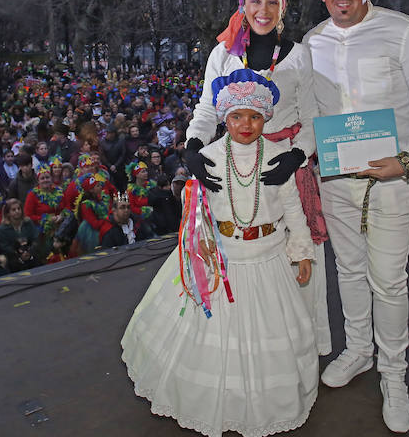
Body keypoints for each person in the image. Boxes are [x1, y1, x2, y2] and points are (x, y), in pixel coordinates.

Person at [300, 0, 409, 432]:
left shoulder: (405, 32)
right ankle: (359, 350)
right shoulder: (312, 42)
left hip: (393, 178)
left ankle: (394, 375)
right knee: (349, 270)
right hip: (338, 179)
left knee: (388, 280)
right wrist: (306, 150)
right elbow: (309, 113)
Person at [122, 68, 317, 437]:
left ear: (266, 118)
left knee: (269, 339)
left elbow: (293, 209)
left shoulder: (280, 158)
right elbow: (194, 213)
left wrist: (302, 251)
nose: (246, 124)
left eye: (255, 117)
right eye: (237, 117)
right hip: (220, 258)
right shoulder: (208, 157)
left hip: (268, 256)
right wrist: (189, 188)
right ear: (224, 118)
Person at [184, 0, 331, 355]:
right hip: (234, 168)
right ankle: (242, 350)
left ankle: (294, 351)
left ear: (283, 7)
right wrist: (193, 146)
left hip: (284, 169)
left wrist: (297, 155)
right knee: (239, 259)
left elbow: (312, 115)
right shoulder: (223, 53)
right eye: (255, 0)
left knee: (292, 258)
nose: (262, 10)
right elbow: (206, 109)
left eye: (272, 1)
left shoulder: (299, 56)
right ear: (243, 4)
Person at [0, 198, 44, 271]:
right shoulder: (2, 229)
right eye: (13, 210)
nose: (17, 211)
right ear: (7, 213)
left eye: (19, 209)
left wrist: (29, 251)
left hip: (31, 255)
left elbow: (36, 238)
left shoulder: (28, 223)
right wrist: (19, 254)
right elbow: (5, 247)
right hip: (13, 260)